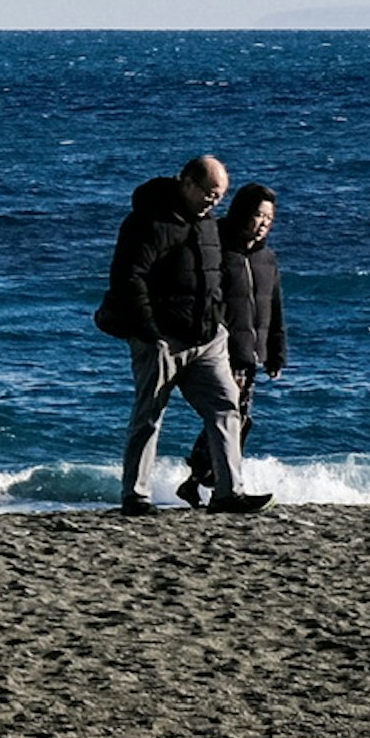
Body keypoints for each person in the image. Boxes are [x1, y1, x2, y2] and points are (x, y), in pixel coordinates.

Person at [103, 156, 270, 514]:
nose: (214, 201)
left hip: (207, 338)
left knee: (227, 408)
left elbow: (216, 275)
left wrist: (219, 323)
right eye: (209, 193)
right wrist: (150, 331)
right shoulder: (147, 221)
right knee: (149, 415)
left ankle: (228, 493)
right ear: (187, 183)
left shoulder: (208, 224)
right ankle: (135, 496)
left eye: (219, 196)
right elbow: (130, 277)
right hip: (161, 338)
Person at [183, 183, 287, 506]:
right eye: (258, 216)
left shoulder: (267, 258)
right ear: (242, 213)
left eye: (269, 218)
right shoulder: (221, 249)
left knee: (237, 420)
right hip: (223, 349)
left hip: (252, 353)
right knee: (229, 418)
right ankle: (216, 487)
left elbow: (275, 306)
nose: (264, 223)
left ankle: (199, 480)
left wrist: (276, 352)